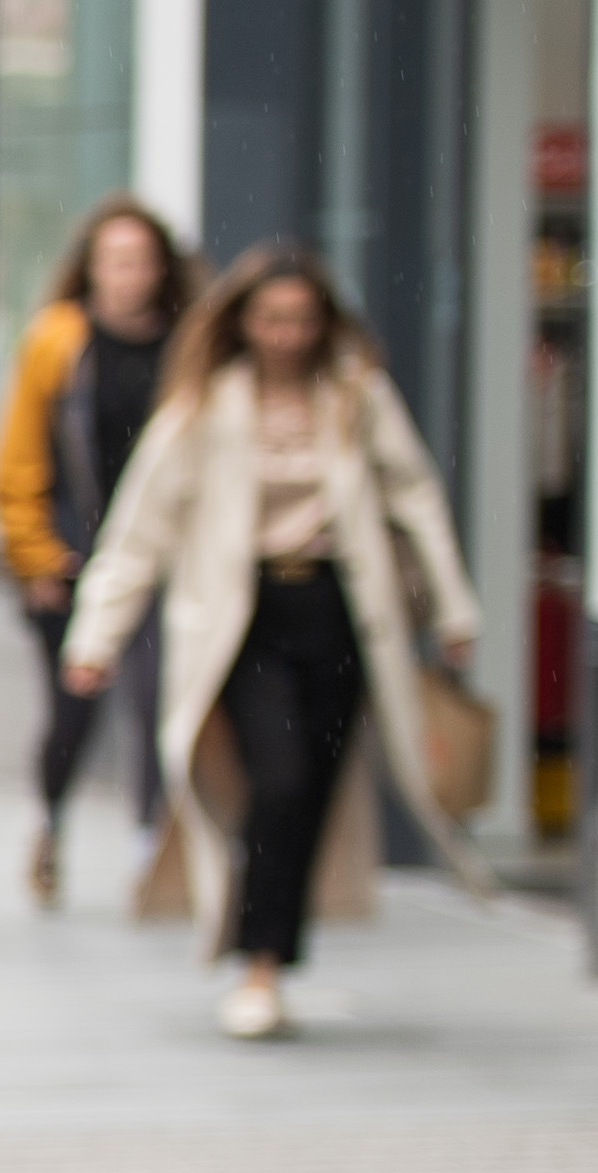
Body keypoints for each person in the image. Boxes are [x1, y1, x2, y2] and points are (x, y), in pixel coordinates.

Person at [60, 242, 487, 1043]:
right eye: (270, 318)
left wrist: (453, 612)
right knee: (280, 777)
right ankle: (256, 960)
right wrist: (96, 637)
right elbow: (136, 530)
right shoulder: (204, 406)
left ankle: (268, 953)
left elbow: (417, 498)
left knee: (312, 792)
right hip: (240, 617)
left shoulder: (356, 397)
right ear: (242, 322)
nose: (286, 334)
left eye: (300, 319)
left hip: (336, 611)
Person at [0, 195, 198, 907]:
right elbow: (16, 457)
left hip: (158, 557)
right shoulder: (57, 339)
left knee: (158, 702)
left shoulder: (187, 341)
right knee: (73, 709)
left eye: (140, 260)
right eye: (114, 260)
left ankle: (153, 844)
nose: (128, 275)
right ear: (90, 267)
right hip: (75, 554)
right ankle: (48, 823)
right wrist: (35, 555)